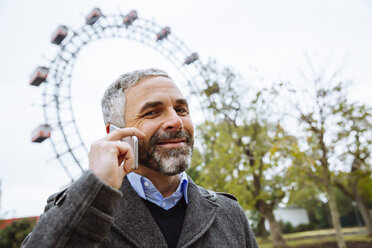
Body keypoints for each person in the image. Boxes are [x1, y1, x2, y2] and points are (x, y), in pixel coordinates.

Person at [22, 69, 259, 248]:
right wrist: (96, 188)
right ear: (116, 133)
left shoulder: (230, 214)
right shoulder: (80, 210)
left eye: (182, 109)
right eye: (152, 112)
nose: (176, 121)